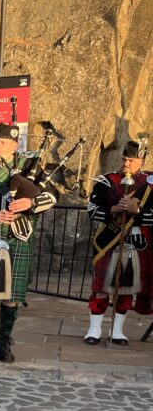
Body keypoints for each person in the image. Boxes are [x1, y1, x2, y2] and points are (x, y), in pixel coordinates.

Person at [0, 123, 58, 362]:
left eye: (3, 143)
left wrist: (30, 204)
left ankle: (4, 344)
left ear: (16, 145)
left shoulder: (30, 169)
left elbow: (52, 196)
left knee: (11, 295)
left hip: (17, 236)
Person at [84, 140, 152, 344]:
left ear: (142, 160)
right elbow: (91, 209)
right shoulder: (107, 181)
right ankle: (94, 330)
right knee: (101, 288)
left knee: (126, 289)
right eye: (124, 158)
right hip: (109, 241)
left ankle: (117, 331)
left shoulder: (150, 184)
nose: (126, 163)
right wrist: (113, 210)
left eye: (131, 159)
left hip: (137, 243)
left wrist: (136, 211)